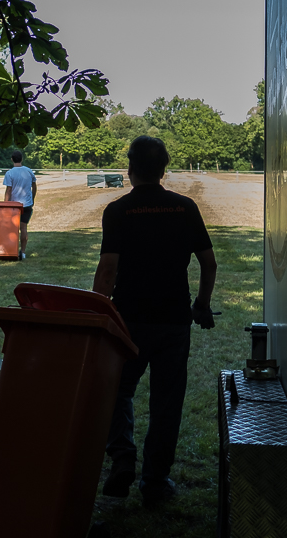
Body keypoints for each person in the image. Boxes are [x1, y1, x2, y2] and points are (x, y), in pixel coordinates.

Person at [93, 135, 217, 508]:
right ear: (164, 170)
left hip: (128, 320)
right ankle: (156, 482)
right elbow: (208, 263)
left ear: (129, 169)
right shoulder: (184, 207)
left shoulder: (117, 211)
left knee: (117, 390)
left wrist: (100, 313)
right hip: (174, 321)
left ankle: (123, 459)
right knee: (167, 402)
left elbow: (108, 269)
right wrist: (202, 305)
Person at [2, 151, 37, 260]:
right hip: (26, 204)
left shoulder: (10, 173)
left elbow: (8, 190)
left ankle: (11, 250)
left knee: (12, 229)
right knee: (23, 228)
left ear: (12, 159)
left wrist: (5, 205)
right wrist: (32, 198)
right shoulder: (29, 171)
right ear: (21, 159)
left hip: (14, 205)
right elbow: (34, 186)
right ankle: (23, 252)